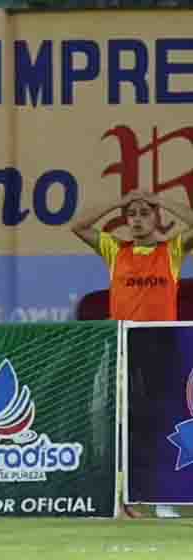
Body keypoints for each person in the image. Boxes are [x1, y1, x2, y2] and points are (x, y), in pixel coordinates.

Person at [72, 189, 193, 519]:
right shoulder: (115, 250)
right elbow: (79, 226)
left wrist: (157, 199)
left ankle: (161, 499)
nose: (137, 219)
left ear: (156, 218)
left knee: (161, 421)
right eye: (132, 214)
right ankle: (120, 498)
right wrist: (119, 201)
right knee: (118, 422)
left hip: (160, 345)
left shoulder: (172, 251)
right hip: (124, 346)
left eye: (144, 213)